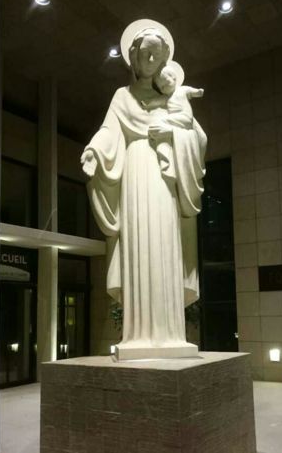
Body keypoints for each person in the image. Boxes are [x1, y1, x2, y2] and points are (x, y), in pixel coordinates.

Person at [80, 21, 207, 359]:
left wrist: (171, 135)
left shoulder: (172, 98)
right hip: (135, 173)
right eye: (144, 53)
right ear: (133, 57)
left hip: (165, 178)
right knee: (138, 244)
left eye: (156, 54)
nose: (150, 59)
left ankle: (170, 333)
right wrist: (94, 151)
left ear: (165, 59)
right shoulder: (122, 97)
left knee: (165, 242)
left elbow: (198, 137)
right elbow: (109, 132)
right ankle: (138, 334)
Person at [141, 64, 204, 183]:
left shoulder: (182, 90)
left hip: (185, 116)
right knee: (161, 121)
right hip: (175, 118)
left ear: (174, 78)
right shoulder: (167, 98)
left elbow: (191, 91)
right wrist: (148, 104)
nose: (164, 88)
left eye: (166, 83)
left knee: (162, 121)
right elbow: (157, 101)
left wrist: (198, 92)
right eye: (161, 87)